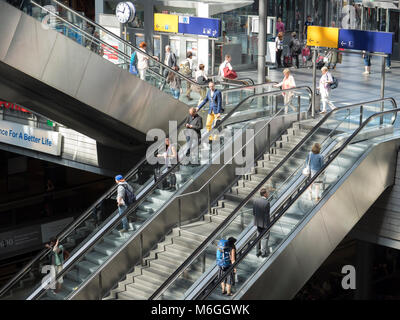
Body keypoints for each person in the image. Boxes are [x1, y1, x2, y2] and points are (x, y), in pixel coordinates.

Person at [253, 188, 271, 258]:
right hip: (265, 224)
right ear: (264, 194)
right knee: (265, 238)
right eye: (267, 193)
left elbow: (254, 212)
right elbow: (267, 215)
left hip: (258, 223)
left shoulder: (256, 201)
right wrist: (268, 225)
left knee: (258, 237)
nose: (268, 194)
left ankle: (257, 252)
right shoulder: (267, 203)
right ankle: (263, 253)